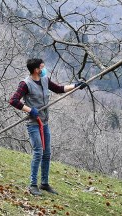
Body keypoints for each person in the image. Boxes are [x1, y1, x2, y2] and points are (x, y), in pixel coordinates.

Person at [9, 58, 87, 196]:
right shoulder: (25, 84)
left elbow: (59, 89)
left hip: (44, 123)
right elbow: (13, 100)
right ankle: (33, 185)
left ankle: (44, 184)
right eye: (42, 67)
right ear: (36, 70)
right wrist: (29, 110)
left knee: (47, 153)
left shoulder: (45, 80)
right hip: (33, 123)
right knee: (38, 152)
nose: (44, 69)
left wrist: (75, 86)